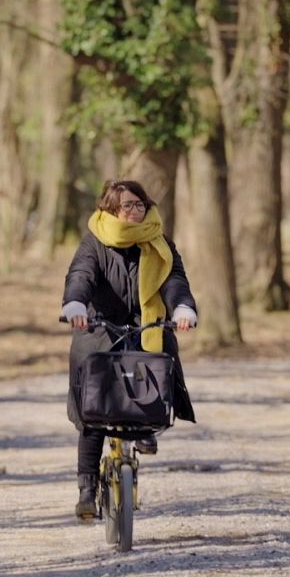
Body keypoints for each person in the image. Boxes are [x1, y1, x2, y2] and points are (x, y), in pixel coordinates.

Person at [61, 180, 197, 520]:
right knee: (92, 413)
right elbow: (81, 275)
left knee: (152, 374)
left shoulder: (159, 241)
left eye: (140, 204)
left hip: (145, 325)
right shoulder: (95, 240)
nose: (135, 211)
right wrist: (76, 304)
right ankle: (87, 491)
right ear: (110, 209)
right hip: (99, 326)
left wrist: (182, 308)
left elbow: (174, 279)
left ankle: (145, 429)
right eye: (127, 206)